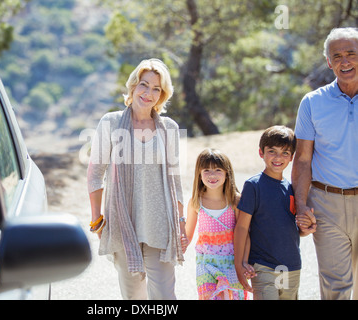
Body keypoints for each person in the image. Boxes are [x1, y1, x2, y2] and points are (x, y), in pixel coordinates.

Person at [87, 58, 186, 300]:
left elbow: (175, 181)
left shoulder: (169, 128)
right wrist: (97, 219)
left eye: (156, 88)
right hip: (123, 224)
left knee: (164, 296)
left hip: (160, 225)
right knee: (134, 298)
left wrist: (181, 223)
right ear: (133, 86)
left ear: (162, 95)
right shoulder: (110, 123)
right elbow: (95, 174)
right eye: (144, 84)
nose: (148, 93)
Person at [292, 27, 358, 300]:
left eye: (351, 54)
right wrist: (302, 204)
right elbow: (303, 159)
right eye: (337, 56)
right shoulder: (312, 103)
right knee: (336, 288)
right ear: (329, 62)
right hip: (327, 204)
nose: (345, 62)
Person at [234, 126, 311, 300]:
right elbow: (242, 228)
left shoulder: (292, 188)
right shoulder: (253, 186)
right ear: (261, 153)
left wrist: (305, 230)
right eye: (272, 151)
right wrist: (240, 264)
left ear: (292, 157)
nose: (278, 158)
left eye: (285, 153)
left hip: (292, 267)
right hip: (263, 267)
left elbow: (290, 228)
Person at [185, 148, 253, 300]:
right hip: (206, 264)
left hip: (232, 263)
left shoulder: (235, 201)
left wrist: (244, 262)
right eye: (206, 170)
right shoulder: (196, 202)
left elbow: (244, 234)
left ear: (227, 173)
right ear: (199, 174)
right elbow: (188, 235)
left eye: (217, 170)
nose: (212, 175)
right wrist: (180, 244)